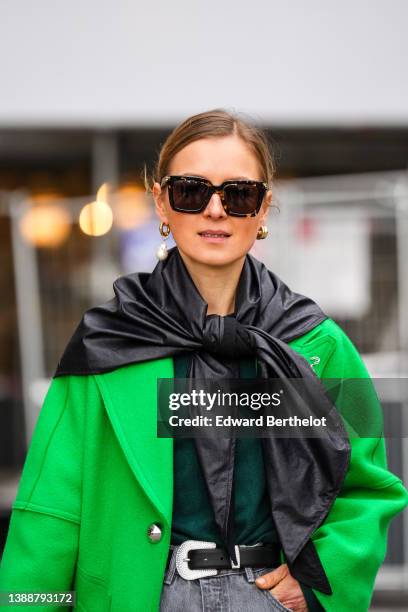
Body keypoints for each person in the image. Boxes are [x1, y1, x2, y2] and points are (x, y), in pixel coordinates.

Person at [0, 108, 407, 612]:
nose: (216, 211)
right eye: (191, 191)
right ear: (162, 204)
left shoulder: (315, 344)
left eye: (239, 195)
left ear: (262, 210)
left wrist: (322, 581)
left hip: (274, 600)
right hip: (138, 598)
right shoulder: (107, 344)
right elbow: (50, 515)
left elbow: (368, 488)